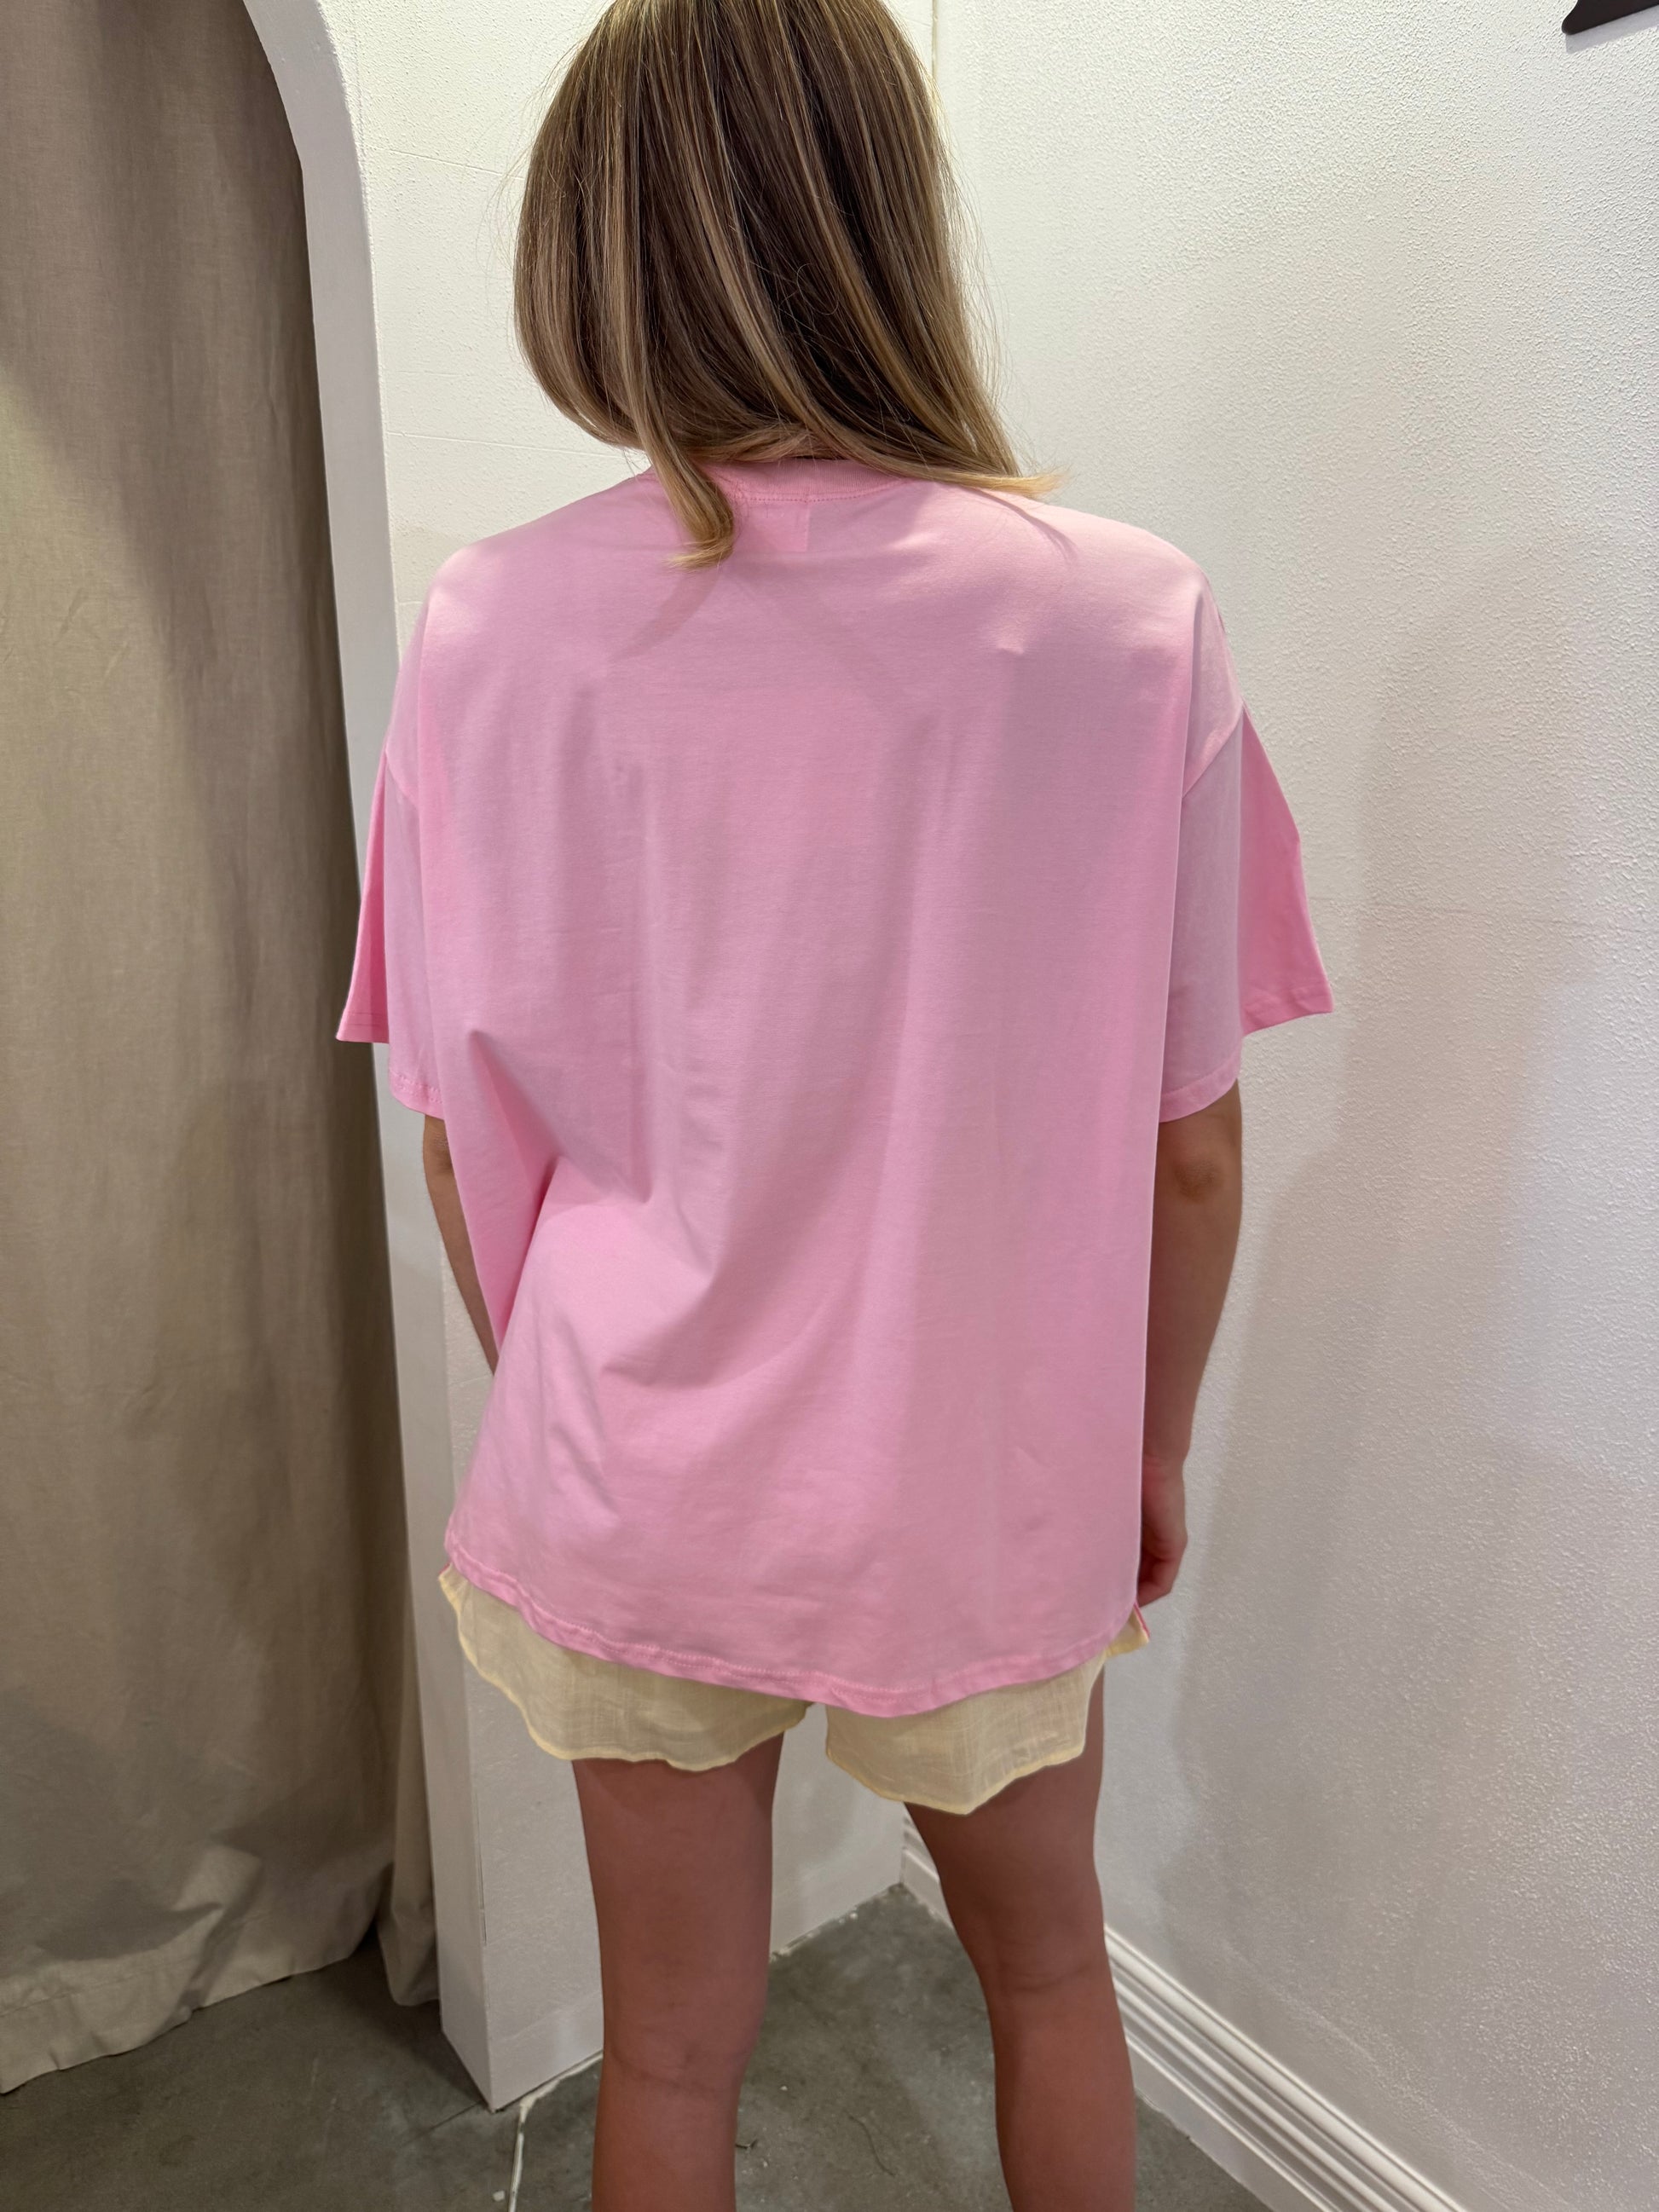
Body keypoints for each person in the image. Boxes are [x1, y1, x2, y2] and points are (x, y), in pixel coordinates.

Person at [338, 2, 1333, 2204]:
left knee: (671, 2059)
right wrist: (1144, 1446)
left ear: (593, 243)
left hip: (633, 1457)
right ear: (890, 215)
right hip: (983, 1469)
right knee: (1049, 1980)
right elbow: (1185, 1146)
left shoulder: (488, 624)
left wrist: (573, 1403)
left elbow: (458, 1129)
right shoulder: (1123, 620)